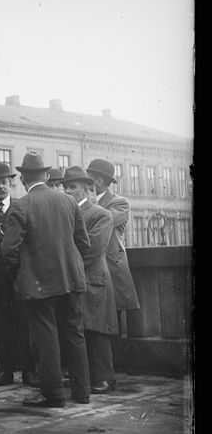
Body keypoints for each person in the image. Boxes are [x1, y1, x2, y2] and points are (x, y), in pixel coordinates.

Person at [1, 152, 92, 408]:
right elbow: (83, 243)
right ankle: (82, 392)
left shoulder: (21, 205)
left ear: (22, 178)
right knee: (75, 333)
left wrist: (20, 273)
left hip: (39, 283)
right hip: (72, 279)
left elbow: (9, 251)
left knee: (46, 336)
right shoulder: (69, 202)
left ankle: (52, 394)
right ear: (46, 175)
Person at [0, 162, 38, 388]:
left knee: (23, 321)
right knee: (0, 324)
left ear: (10, 184)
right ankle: (5, 371)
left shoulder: (21, 207)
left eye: (3, 182)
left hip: (19, 275)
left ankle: (29, 370)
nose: (0, 186)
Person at [62, 166, 119, 395]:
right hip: (75, 278)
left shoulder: (100, 214)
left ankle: (104, 377)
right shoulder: (66, 213)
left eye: (73, 187)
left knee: (97, 331)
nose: (67, 191)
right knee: (78, 330)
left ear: (88, 189)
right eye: (65, 187)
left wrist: (64, 263)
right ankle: (83, 376)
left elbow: (94, 250)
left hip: (92, 280)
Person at [86, 157, 142, 368]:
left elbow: (104, 219)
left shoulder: (120, 202)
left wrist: (87, 203)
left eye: (88, 178)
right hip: (95, 268)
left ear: (98, 181)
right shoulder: (89, 202)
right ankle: (100, 368)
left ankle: (113, 368)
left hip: (111, 268)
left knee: (113, 321)